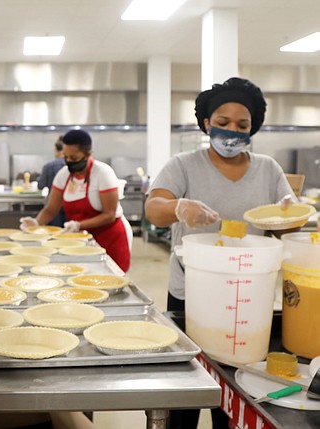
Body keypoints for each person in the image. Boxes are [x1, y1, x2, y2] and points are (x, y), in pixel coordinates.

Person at [144, 77, 295, 429]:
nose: (232, 132)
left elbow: (285, 225)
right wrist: (179, 207)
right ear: (207, 123)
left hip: (249, 303)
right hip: (192, 297)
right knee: (186, 396)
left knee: (232, 401)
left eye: (242, 125)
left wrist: (290, 214)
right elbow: (154, 208)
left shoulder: (268, 169)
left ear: (253, 127)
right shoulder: (183, 165)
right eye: (223, 123)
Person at [20, 129, 133, 272]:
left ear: (88, 154)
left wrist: (78, 225)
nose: (69, 162)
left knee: (110, 277)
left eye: (74, 158)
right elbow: (50, 209)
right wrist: (37, 222)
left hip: (109, 236)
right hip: (81, 239)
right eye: (66, 157)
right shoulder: (64, 175)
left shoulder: (103, 173)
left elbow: (109, 215)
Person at [37, 136, 67, 227]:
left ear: (57, 150)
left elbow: (41, 185)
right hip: (70, 206)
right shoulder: (75, 166)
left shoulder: (48, 166)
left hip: (53, 207)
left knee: (54, 233)